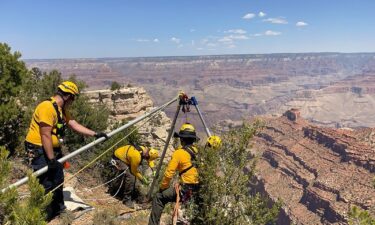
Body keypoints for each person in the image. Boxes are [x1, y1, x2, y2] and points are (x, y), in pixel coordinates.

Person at [24, 81, 108, 220]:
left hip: (52, 149)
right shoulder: (47, 107)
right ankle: (43, 214)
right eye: (74, 98)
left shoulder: (60, 109)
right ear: (68, 96)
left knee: (58, 178)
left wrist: (95, 134)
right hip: (39, 149)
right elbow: (45, 135)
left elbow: (73, 124)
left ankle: (58, 209)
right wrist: (51, 159)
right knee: (45, 182)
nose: (73, 101)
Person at [148, 123, 200, 225]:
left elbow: (168, 174)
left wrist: (163, 188)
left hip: (186, 190)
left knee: (159, 197)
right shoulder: (198, 151)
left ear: (182, 139)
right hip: (198, 189)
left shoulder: (178, 153)